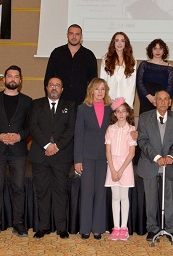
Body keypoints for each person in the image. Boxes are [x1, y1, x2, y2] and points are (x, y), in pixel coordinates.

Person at [0, 66, 32, 239]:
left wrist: (19, 136)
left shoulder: (27, 101)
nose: (12, 79)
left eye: (16, 76)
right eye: (9, 76)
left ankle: (18, 222)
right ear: (4, 79)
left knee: (18, 187)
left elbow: (31, 126)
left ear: (20, 80)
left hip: (18, 151)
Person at [27, 77, 73, 240]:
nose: (54, 88)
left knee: (61, 192)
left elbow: (71, 129)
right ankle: (43, 227)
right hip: (40, 155)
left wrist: (56, 146)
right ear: (46, 87)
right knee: (42, 192)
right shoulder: (36, 104)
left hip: (61, 156)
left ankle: (61, 228)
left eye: (57, 85)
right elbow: (33, 126)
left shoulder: (70, 105)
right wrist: (47, 145)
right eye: (51, 85)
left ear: (62, 89)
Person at [137, 90, 173, 242]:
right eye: (159, 99)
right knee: (151, 200)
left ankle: (171, 229)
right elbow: (142, 141)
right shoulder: (144, 118)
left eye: (166, 99)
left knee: (171, 199)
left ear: (170, 102)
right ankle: (152, 228)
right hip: (150, 163)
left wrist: (171, 157)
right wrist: (156, 157)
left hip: (170, 165)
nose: (162, 102)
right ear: (155, 102)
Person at [74, 78, 112, 240]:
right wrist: (77, 159)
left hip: (104, 156)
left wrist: (133, 132)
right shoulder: (83, 109)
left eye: (103, 89)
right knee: (87, 192)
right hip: (87, 156)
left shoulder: (111, 109)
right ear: (91, 91)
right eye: (97, 89)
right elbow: (78, 135)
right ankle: (85, 228)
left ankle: (98, 228)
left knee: (101, 193)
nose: (100, 92)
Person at [44, 24, 98, 112]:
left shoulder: (89, 55)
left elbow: (93, 82)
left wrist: (90, 100)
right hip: (59, 101)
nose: (74, 37)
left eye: (77, 34)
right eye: (71, 33)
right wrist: (49, 99)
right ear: (67, 35)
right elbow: (48, 78)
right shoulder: (57, 53)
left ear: (81, 36)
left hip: (81, 103)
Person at [105, 98, 137, 241]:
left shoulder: (131, 130)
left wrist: (121, 170)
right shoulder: (110, 129)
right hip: (112, 165)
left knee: (124, 197)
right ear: (115, 114)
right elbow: (108, 151)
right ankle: (116, 227)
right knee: (115, 197)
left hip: (126, 166)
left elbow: (132, 153)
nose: (121, 114)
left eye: (124, 111)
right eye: (118, 111)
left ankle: (124, 227)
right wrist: (113, 170)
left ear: (128, 113)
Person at [136, 39, 173, 115]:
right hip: (147, 100)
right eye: (155, 48)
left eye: (160, 48)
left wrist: (160, 99)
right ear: (151, 50)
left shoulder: (169, 68)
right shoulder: (144, 65)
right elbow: (139, 83)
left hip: (162, 103)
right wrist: (149, 97)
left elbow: (170, 87)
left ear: (164, 51)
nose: (157, 51)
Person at [99, 32, 136, 108]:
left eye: (122, 41)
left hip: (126, 102)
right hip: (109, 101)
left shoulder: (132, 61)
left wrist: (125, 103)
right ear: (113, 43)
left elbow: (132, 84)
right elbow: (102, 81)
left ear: (126, 43)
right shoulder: (105, 59)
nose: (119, 43)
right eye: (117, 40)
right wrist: (107, 99)